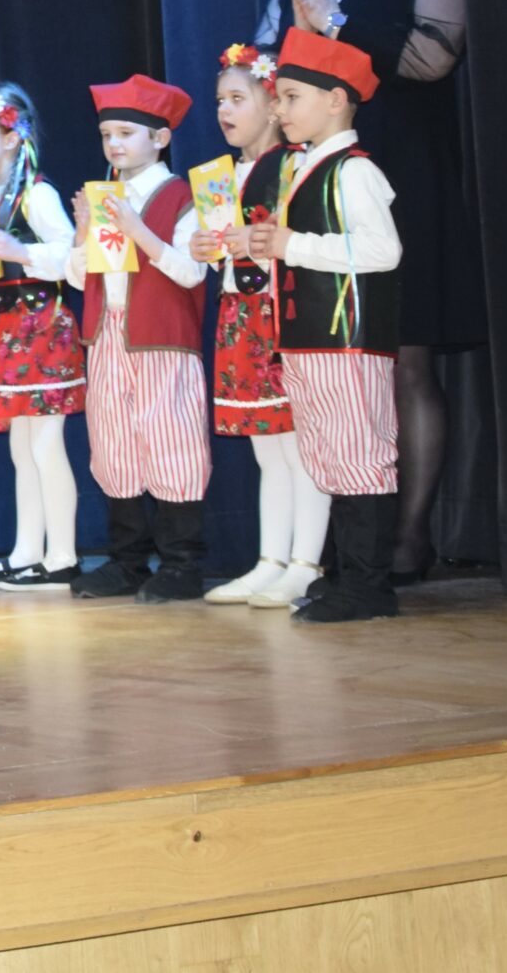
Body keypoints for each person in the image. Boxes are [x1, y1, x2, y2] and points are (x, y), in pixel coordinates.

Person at [256, 0, 477, 580]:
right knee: (331, 367)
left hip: (403, 177)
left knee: (405, 358)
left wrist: (335, 21)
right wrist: (298, 32)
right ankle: (343, 545)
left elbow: (431, 59)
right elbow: (267, 78)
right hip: (316, 185)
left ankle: (407, 538)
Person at [232, 30, 406, 624]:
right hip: (307, 339)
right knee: (329, 458)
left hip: (347, 341)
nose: (279, 109)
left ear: (335, 100)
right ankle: (345, 577)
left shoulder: (353, 171)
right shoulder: (305, 169)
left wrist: (292, 244)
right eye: (278, 97)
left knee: (358, 456)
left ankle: (369, 586)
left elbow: (383, 250)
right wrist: (261, 247)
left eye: (290, 97)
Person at [65, 76, 211, 602]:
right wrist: (84, 231)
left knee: (172, 443)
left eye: (126, 133)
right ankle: (127, 559)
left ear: (160, 138)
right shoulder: (106, 196)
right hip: (108, 334)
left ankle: (181, 562)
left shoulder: (181, 196)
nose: (114, 144)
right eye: (107, 135)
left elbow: (192, 272)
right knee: (114, 446)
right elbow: (78, 277)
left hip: (161, 338)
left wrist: (137, 230)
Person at [194, 49, 330, 609]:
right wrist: (206, 248)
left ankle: (306, 564)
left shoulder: (295, 167)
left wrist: (255, 242)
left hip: (283, 316)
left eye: (237, 99)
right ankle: (270, 560)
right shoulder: (222, 177)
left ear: (274, 106)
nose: (224, 111)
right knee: (266, 449)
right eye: (219, 101)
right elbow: (224, 252)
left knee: (300, 447)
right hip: (240, 317)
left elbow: (302, 241)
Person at [0, 81, 84, 593]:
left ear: (10, 138)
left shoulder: (37, 194)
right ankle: (26, 553)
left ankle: (63, 556)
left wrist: (19, 251)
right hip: (6, 327)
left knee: (46, 445)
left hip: (41, 326)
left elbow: (70, 256)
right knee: (22, 449)